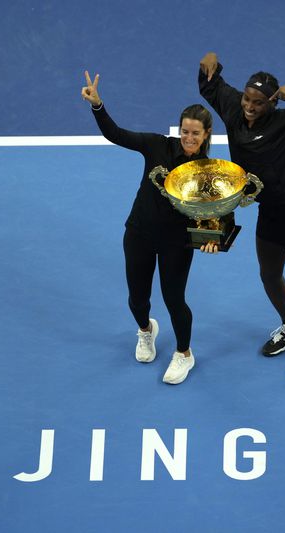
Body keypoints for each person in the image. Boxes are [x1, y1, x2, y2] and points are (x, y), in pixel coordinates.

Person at [197, 52, 285, 373]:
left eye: (258, 102)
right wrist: (209, 61)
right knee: (269, 274)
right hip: (269, 207)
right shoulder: (235, 108)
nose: (250, 106)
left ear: (272, 103)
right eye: (248, 99)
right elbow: (212, 86)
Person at [81, 70, 213, 385]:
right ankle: (145, 330)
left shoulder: (208, 172)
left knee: (174, 300)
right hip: (139, 233)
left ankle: (184, 354)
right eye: (185, 132)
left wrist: (211, 237)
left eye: (195, 134)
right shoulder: (157, 146)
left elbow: (214, 212)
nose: (189, 138)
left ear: (206, 134)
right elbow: (116, 134)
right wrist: (98, 105)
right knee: (137, 299)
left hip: (176, 244)